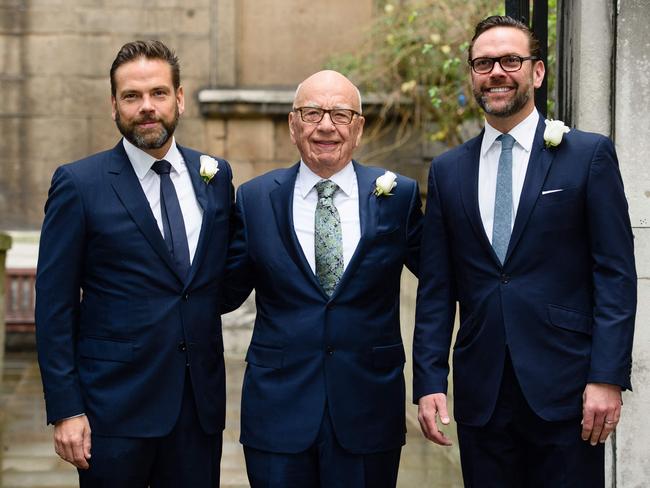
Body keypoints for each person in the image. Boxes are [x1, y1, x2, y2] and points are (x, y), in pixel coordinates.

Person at [413, 15, 636, 487]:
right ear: (472, 75)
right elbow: (436, 287)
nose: (496, 72)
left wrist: (607, 376)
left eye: (510, 60)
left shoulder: (587, 155)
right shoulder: (448, 171)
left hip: (569, 390)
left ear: (536, 73)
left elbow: (614, 273)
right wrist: (430, 381)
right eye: (483, 63)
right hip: (482, 392)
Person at [35, 40, 233, 487]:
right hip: (113, 411)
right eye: (132, 96)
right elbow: (54, 305)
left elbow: (219, 278)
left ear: (179, 98)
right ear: (114, 105)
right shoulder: (78, 184)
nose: (147, 107)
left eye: (159, 93)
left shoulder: (215, 176)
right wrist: (66, 409)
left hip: (197, 411)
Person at [224, 70, 422, 487]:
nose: (326, 126)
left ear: (360, 127)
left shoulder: (398, 196)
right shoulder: (255, 198)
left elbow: (443, 281)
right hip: (278, 412)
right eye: (312, 113)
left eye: (341, 114)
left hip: (369, 410)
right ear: (293, 125)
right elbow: (220, 290)